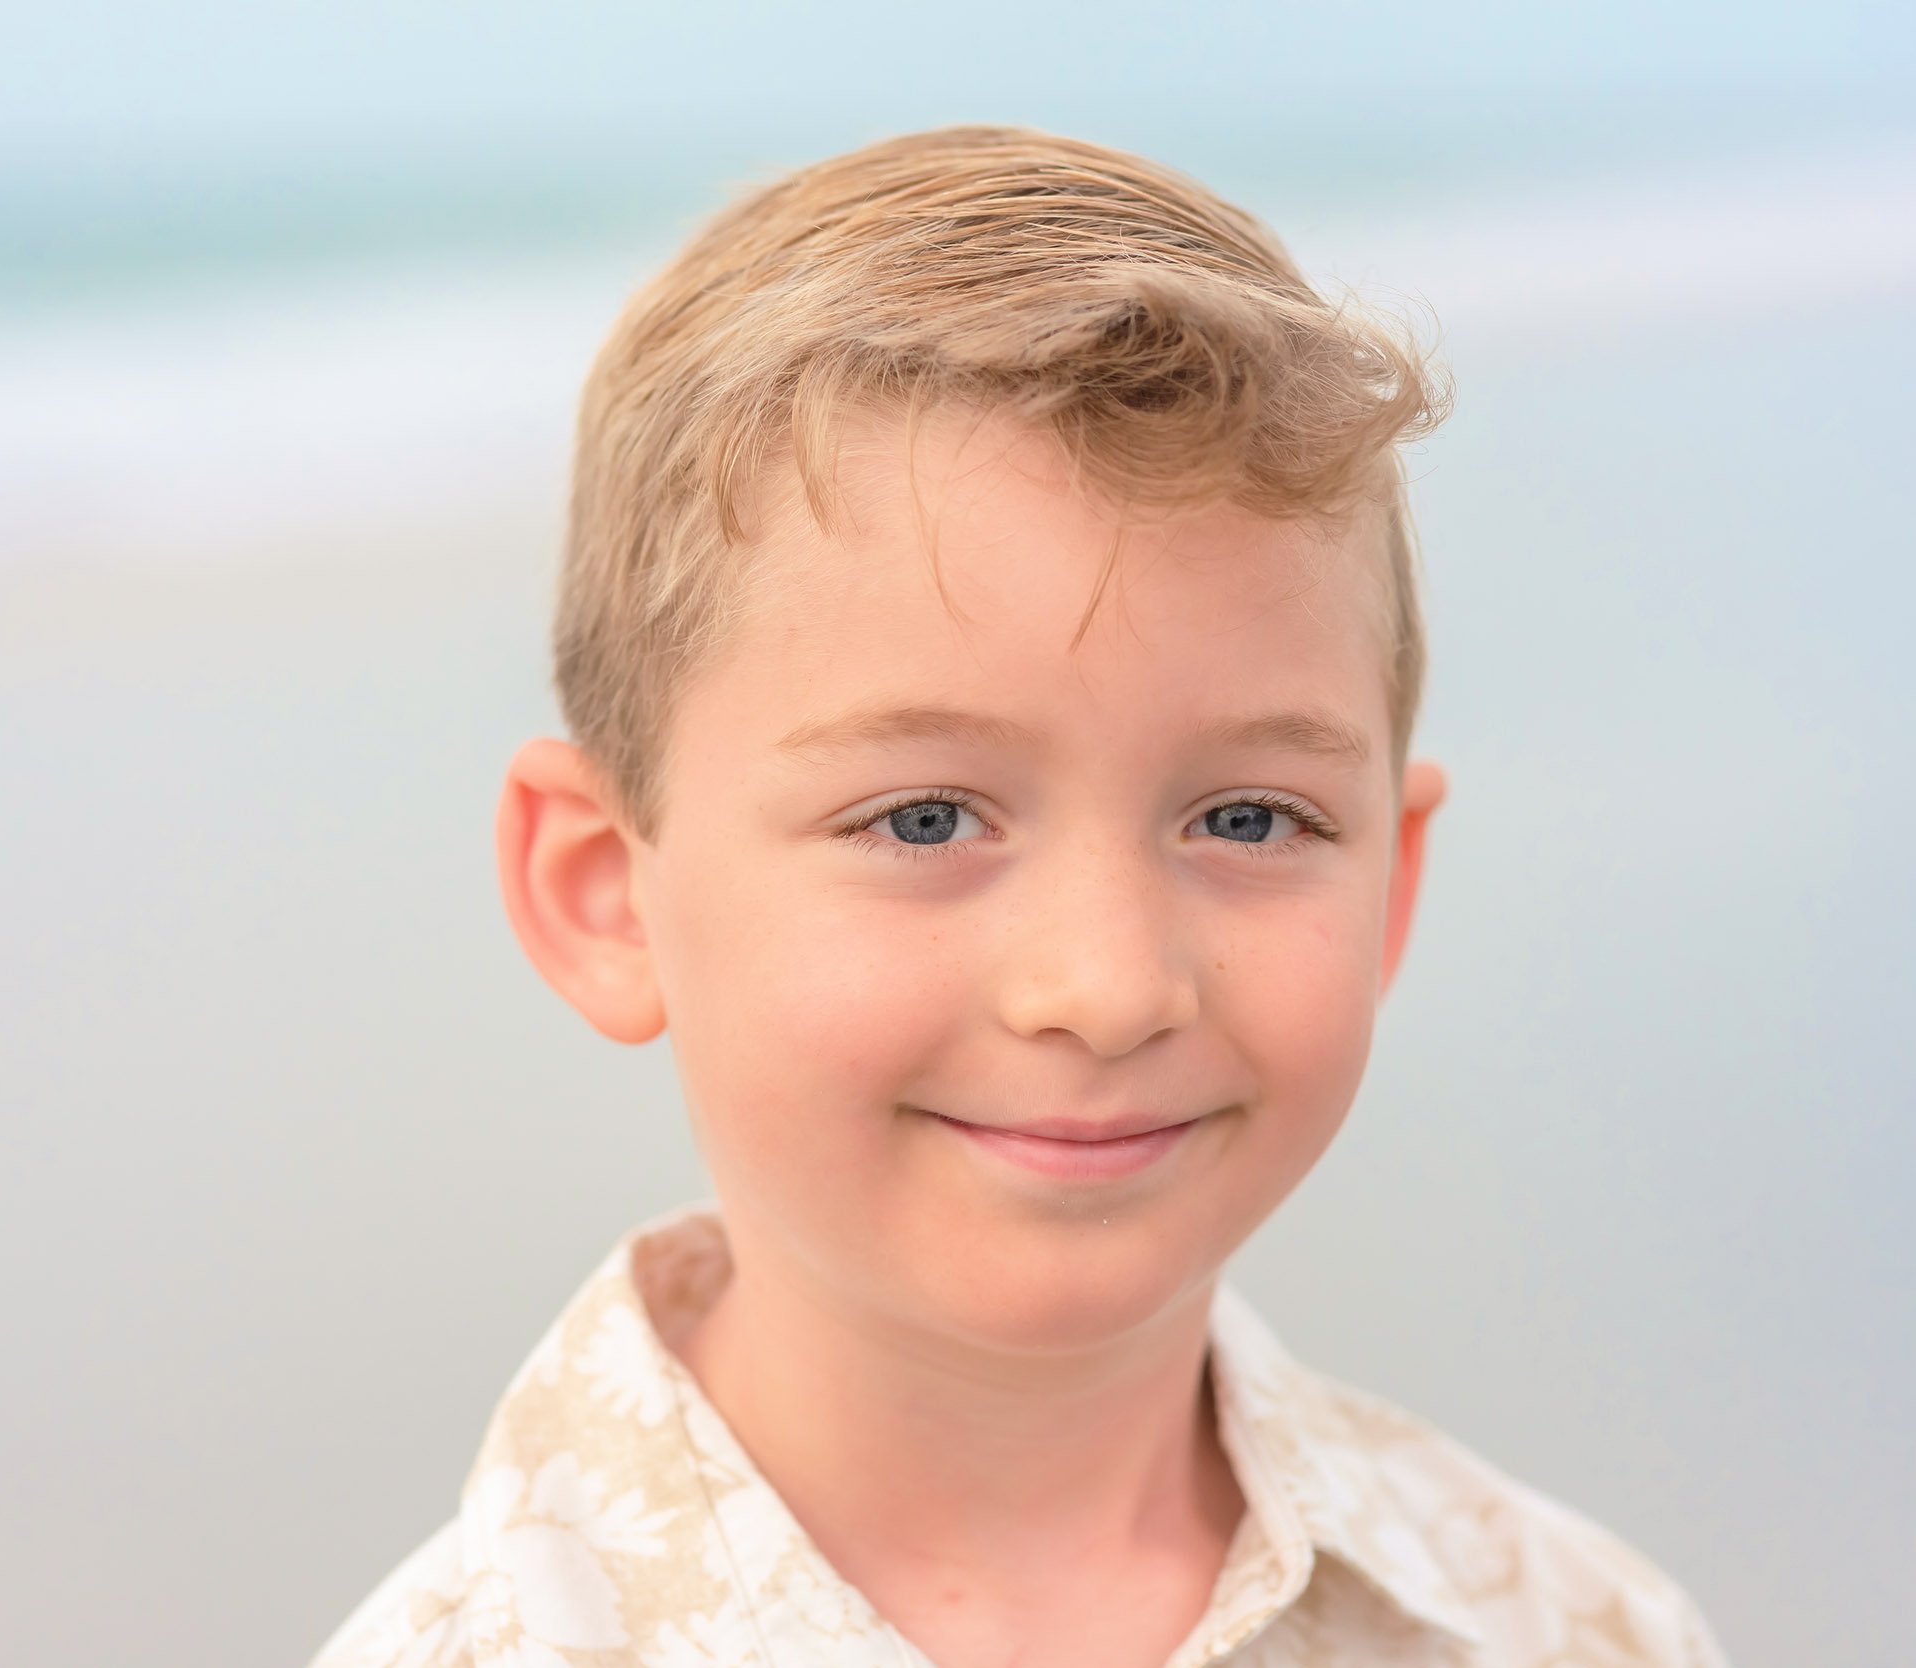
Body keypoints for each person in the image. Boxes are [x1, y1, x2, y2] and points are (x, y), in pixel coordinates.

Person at [311, 124, 1730, 1668]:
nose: (1112, 984)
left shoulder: (1568, 1627)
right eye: (925, 818)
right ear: (604, 893)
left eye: (1249, 816)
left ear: (1390, 890)